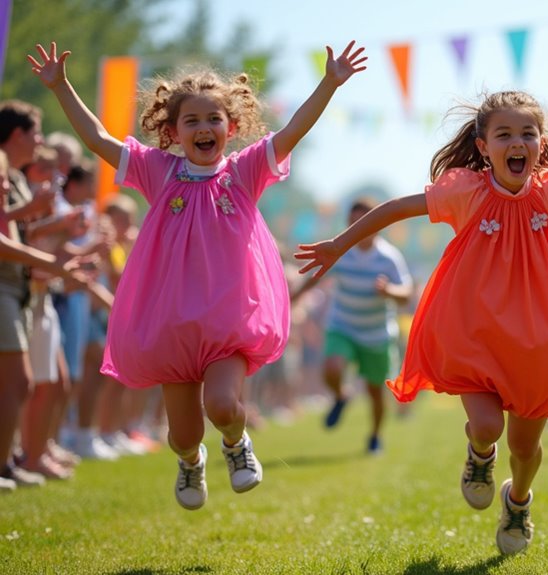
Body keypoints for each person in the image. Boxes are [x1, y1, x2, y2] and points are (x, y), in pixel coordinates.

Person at [296, 91, 548, 554]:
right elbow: (392, 209)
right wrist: (338, 246)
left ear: (540, 143)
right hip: (475, 334)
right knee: (487, 427)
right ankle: (480, 456)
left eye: (527, 133)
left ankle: (519, 500)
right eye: (503, 133)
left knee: (525, 450)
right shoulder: (464, 191)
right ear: (483, 146)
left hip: (540, 339)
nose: (517, 141)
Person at [29, 39, 368, 509]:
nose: (204, 128)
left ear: (230, 127)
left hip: (228, 321)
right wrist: (63, 88)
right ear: (172, 131)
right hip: (173, 324)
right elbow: (99, 140)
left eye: (213, 119)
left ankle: (235, 444)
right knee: (182, 435)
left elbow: (292, 131)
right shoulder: (158, 171)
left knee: (225, 407)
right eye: (192, 120)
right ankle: (191, 462)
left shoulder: (245, 172)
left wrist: (329, 83)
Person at [291, 197, 413, 454]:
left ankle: (375, 436)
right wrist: (292, 298)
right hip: (343, 325)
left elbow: (406, 292)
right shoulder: (341, 252)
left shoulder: (388, 258)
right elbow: (316, 277)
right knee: (332, 368)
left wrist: (389, 290)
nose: (357, 227)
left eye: (364, 221)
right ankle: (341, 396)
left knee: (375, 392)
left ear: (376, 224)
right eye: (352, 222)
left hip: (376, 334)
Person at [0, 148, 89, 492]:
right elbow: (15, 242)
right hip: (18, 290)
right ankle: (19, 459)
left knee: (34, 383)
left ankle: (18, 459)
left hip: (26, 291)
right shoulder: (26, 196)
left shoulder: (20, 195)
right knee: (24, 382)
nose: (7, 186)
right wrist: (53, 262)